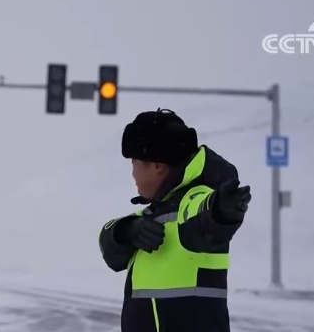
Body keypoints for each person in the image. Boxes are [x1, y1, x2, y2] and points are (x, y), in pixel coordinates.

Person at [98, 108, 252, 332]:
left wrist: (220, 212)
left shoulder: (192, 199)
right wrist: (127, 230)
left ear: (157, 166)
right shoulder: (158, 211)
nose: (132, 173)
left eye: (135, 163)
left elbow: (201, 217)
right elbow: (108, 245)